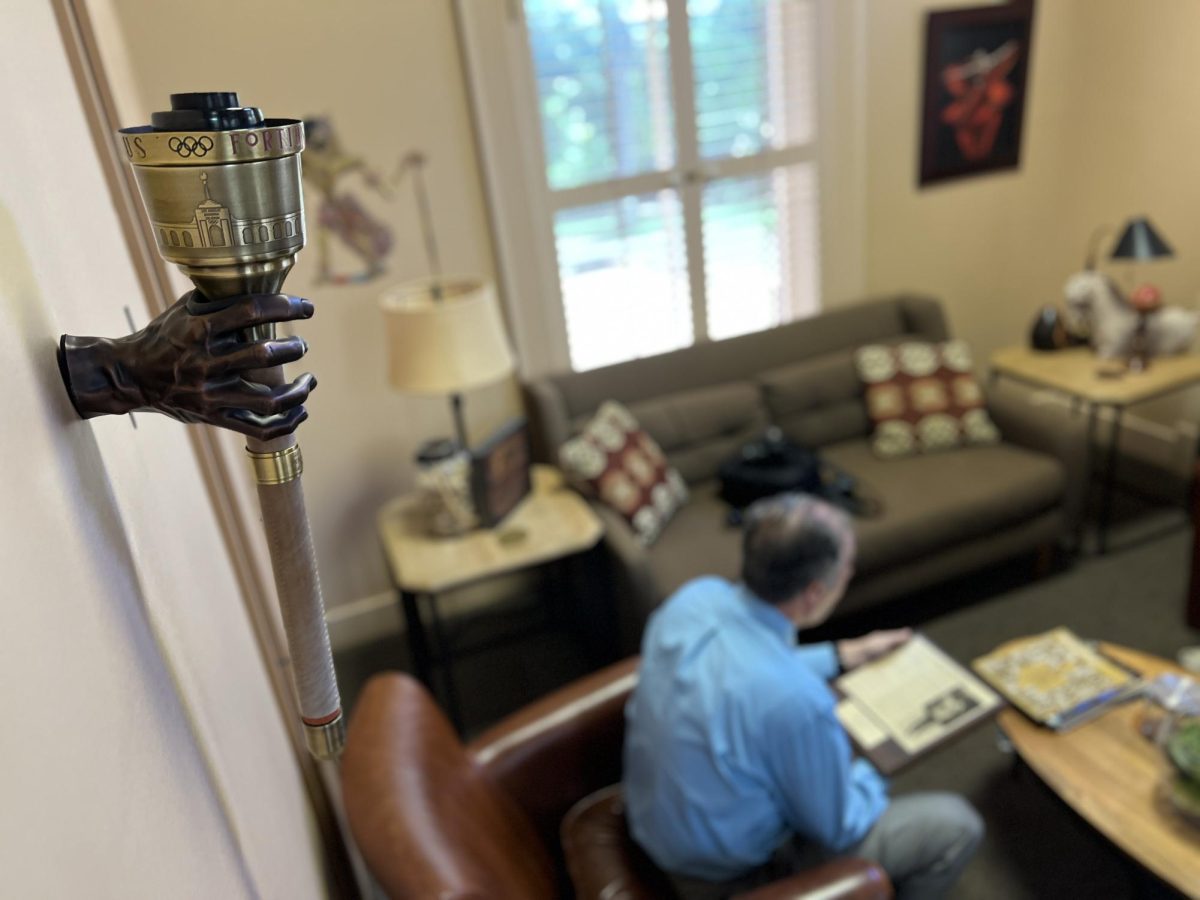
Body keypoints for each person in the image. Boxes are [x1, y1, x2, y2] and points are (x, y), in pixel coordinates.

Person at [624, 493, 983, 900]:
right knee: (956, 825)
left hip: (657, 830)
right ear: (814, 593)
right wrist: (876, 763)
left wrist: (844, 654)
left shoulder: (693, 599)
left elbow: (739, 667)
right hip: (726, 879)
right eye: (846, 569)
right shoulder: (796, 702)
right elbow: (839, 825)